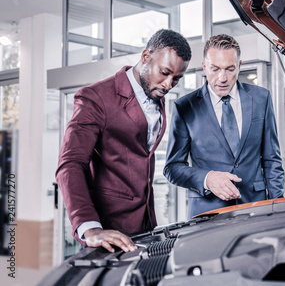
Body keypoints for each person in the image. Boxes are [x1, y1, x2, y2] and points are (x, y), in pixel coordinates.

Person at [56, 29, 191, 253]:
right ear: (146, 57)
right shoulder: (95, 98)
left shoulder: (155, 94)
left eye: (176, 79)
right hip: (107, 234)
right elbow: (70, 164)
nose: (168, 85)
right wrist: (90, 228)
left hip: (147, 230)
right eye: (165, 72)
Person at [164, 34, 284, 218]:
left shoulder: (262, 98)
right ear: (204, 66)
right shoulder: (185, 107)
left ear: (239, 65)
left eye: (230, 69)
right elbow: (172, 168)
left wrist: (278, 207)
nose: (222, 78)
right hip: (207, 212)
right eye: (215, 69)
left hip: (256, 208)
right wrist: (207, 178)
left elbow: (272, 159)